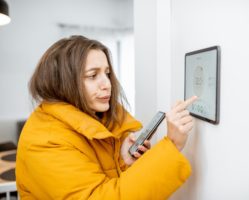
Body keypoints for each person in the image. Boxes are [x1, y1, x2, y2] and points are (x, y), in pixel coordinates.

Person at [16, 35, 197, 200]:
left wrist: (122, 161)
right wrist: (172, 144)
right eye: (93, 75)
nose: (107, 84)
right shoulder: (44, 141)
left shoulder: (93, 118)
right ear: (62, 83)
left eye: (107, 73)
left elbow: (102, 179)